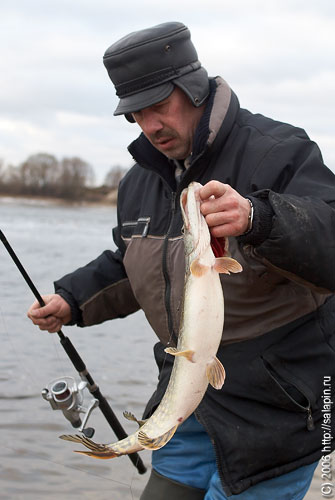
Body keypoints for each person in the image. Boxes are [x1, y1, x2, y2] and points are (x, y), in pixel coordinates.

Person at [28, 22, 335, 499]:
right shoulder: (138, 183)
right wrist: (72, 300)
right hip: (184, 400)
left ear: (193, 90)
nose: (149, 126)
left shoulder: (280, 151)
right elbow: (131, 261)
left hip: (276, 410)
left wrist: (260, 217)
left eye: (158, 106)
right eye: (135, 113)